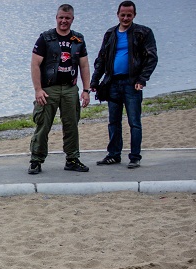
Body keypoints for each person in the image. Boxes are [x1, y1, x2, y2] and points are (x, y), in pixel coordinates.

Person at [90, 1, 158, 169]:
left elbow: (151, 58)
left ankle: (135, 157)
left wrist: (142, 79)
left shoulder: (143, 32)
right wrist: (94, 81)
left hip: (132, 83)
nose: (126, 18)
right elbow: (101, 59)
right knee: (113, 121)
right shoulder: (110, 33)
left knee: (134, 122)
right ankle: (113, 154)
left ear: (134, 15)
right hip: (112, 82)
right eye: (123, 15)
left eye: (129, 15)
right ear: (117, 15)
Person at [28, 4, 91, 175]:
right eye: (61, 17)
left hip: (70, 89)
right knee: (43, 125)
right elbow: (35, 64)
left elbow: (84, 65)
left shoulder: (78, 39)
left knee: (72, 125)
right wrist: (38, 89)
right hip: (49, 89)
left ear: (72, 19)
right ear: (56, 18)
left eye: (67, 18)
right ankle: (36, 160)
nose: (64, 21)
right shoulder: (45, 38)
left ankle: (72, 159)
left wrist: (86, 90)